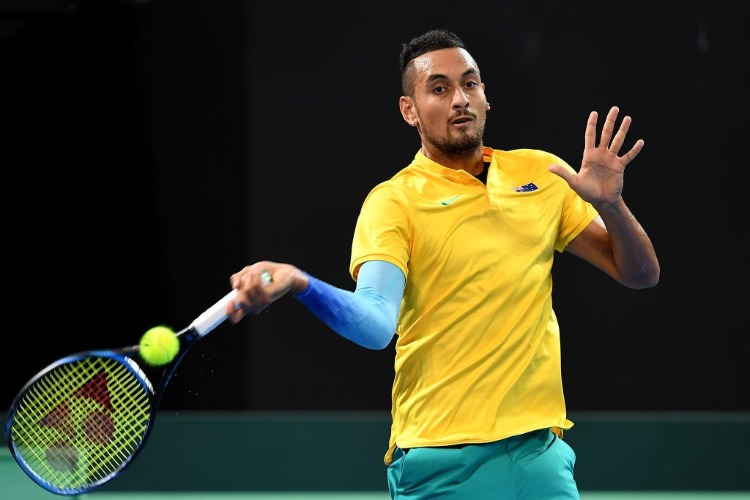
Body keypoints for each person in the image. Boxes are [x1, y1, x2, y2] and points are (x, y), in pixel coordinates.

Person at [225, 29, 660, 499]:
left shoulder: (544, 175)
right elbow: (375, 324)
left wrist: (612, 206)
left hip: (538, 456)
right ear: (408, 110)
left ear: (486, 97)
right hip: (440, 460)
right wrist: (300, 283)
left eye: (470, 84)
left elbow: (640, 275)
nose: (460, 99)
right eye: (439, 88)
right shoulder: (393, 202)